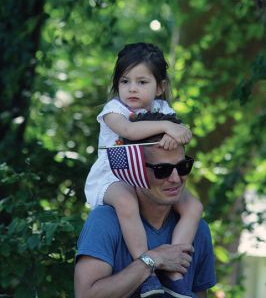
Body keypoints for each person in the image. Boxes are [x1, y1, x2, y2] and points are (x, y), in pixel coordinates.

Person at [84, 42, 202, 297]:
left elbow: (182, 134)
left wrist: (175, 134)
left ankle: (176, 270)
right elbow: (129, 131)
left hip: (147, 174)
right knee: (127, 203)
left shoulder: (162, 110)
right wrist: (168, 129)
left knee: (193, 207)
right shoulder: (114, 111)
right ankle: (146, 269)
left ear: (160, 87)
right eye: (125, 81)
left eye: (142, 82)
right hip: (114, 175)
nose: (132, 89)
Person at [75, 112, 216, 298]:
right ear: (134, 170)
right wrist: (152, 260)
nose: (175, 179)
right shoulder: (105, 221)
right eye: (162, 170)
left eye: (183, 167)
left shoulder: (198, 230)